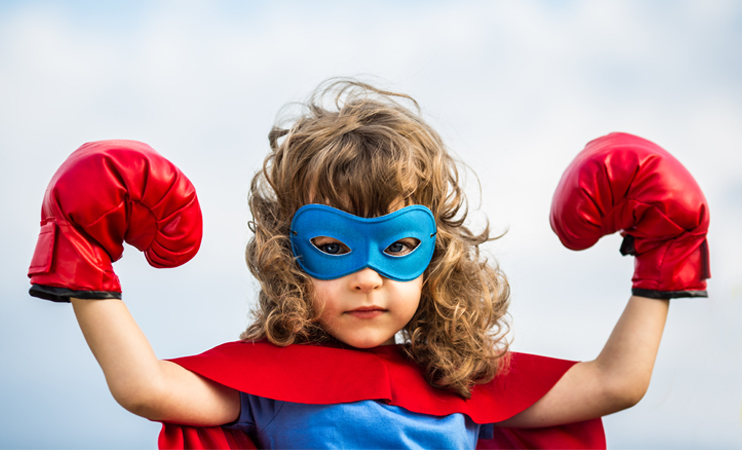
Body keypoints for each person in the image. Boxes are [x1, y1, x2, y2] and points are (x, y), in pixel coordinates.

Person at [27, 80, 710, 449]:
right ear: (289, 260)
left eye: (398, 245)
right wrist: (83, 258)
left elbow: (614, 384)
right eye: (333, 247)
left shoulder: (465, 390)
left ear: (435, 259)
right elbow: (145, 387)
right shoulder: (265, 389)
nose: (367, 276)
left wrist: (665, 257)